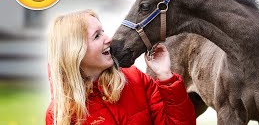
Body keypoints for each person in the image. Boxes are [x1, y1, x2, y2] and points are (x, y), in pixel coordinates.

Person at [45, 9, 196, 125]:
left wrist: (165, 75)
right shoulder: (60, 114)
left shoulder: (135, 79)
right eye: (97, 36)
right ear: (75, 51)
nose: (109, 39)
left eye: (102, 31)